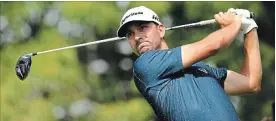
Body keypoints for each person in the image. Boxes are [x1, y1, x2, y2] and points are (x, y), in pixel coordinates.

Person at [117, 6, 262, 121]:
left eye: (142, 28)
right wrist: (235, 23)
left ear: (161, 30)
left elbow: (251, 83)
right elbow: (214, 46)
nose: (136, 37)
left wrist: (249, 29)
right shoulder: (145, 65)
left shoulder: (201, 68)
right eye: (130, 34)